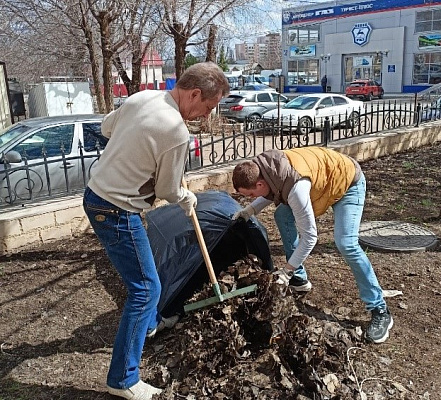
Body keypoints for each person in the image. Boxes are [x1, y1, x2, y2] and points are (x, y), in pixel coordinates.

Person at [83, 62, 230, 400]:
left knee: (146, 280)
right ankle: (122, 380)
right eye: (207, 107)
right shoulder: (176, 130)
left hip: (98, 195)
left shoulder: (142, 97)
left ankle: (148, 327)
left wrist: (137, 146)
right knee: (146, 289)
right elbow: (167, 188)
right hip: (116, 209)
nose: (205, 116)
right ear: (194, 93)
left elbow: (107, 128)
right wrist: (187, 196)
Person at [231, 147, 393, 344]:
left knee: (346, 243)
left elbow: (310, 238)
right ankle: (299, 280)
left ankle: (380, 310)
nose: (250, 198)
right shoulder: (268, 169)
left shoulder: (295, 189)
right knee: (282, 215)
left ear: (259, 182)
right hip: (323, 182)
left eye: (249, 194)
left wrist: (286, 271)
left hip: (348, 182)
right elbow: (268, 193)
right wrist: (248, 211)